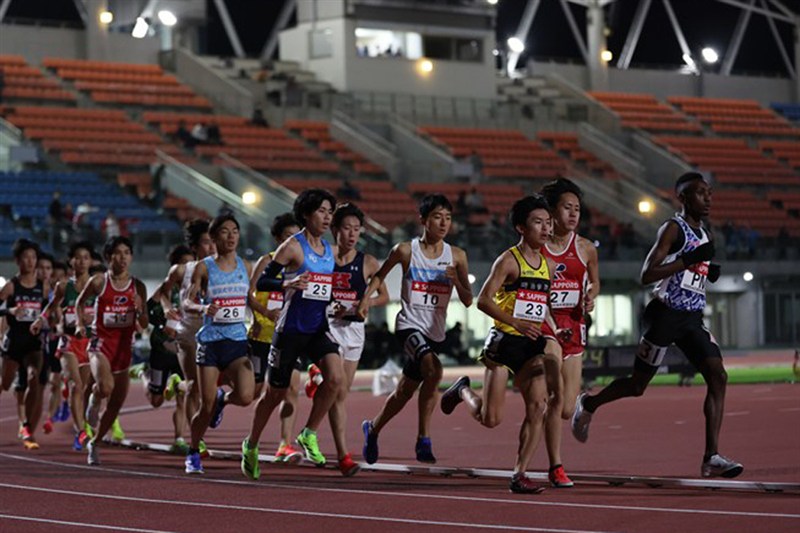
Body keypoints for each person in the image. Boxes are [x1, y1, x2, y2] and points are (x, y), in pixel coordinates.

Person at [571, 172, 743, 479]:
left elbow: (692, 267)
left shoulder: (706, 233)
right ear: (683, 198)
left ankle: (711, 457)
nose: (708, 198)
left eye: (709, 193)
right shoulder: (672, 228)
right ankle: (590, 403)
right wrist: (690, 260)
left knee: (718, 376)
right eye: (700, 193)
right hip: (663, 314)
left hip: (691, 318)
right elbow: (647, 274)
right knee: (638, 386)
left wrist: (706, 269)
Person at [440, 194, 566, 494]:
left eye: (549, 223)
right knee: (490, 419)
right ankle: (463, 391)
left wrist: (556, 328)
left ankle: (518, 474)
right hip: (503, 344)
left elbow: (541, 303)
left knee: (538, 405)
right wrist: (516, 321)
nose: (546, 229)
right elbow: (483, 300)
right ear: (522, 227)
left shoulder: (548, 264)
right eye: (539, 223)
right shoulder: (509, 260)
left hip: (531, 344)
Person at [357, 193, 473, 465]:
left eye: (448, 217)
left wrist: (457, 280)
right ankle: (424, 439)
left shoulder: (456, 256)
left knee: (404, 391)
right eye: (437, 217)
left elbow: (468, 300)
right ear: (423, 220)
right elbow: (379, 276)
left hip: (435, 331)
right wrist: (365, 300)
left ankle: (372, 429)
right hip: (408, 325)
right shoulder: (405, 250)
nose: (443, 223)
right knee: (434, 370)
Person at [242, 189, 345, 479]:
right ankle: (251, 445)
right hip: (289, 331)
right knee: (274, 395)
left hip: (316, 328)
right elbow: (263, 282)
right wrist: (288, 282)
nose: (327, 218)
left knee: (336, 378)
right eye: (322, 211)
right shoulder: (292, 246)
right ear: (306, 214)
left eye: (330, 212)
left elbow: (321, 287)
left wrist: (333, 301)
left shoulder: (328, 250)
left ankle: (308, 433)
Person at [537, 178, 600, 489]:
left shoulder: (586, 248)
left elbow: (595, 283)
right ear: (552, 210)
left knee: (564, 409)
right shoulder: (539, 248)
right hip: (547, 326)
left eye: (578, 209)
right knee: (555, 396)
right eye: (567, 208)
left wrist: (590, 295)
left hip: (575, 329)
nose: (574, 214)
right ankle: (556, 466)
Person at [183, 214, 255, 474]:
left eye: (235, 231)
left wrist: (263, 314)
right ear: (214, 238)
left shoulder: (245, 266)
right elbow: (187, 302)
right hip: (211, 344)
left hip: (236, 341)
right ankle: (193, 451)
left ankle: (224, 401)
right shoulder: (204, 267)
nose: (231, 236)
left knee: (247, 395)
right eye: (225, 232)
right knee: (205, 406)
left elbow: (249, 298)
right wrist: (203, 307)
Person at [324, 202, 389, 473]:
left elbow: (384, 296)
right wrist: (330, 304)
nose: (352, 234)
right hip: (326, 328)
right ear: (335, 230)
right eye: (347, 229)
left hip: (354, 332)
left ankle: (320, 382)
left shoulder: (369, 262)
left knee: (340, 394)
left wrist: (362, 305)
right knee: (335, 383)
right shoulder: (323, 258)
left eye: (356, 229)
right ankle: (343, 454)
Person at [76, 236, 148, 465]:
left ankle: (94, 443)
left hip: (124, 348)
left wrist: (140, 310)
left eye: (127, 252)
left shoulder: (139, 286)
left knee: (116, 404)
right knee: (105, 386)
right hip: (100, 343)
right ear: (109, 257)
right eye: (118, 252)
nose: (123, 257)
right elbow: (79, 302)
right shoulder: (99, 282)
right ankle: (95, 398)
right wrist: (80, 323)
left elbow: (144, 323)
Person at [247, 212, 304, 463]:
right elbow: (251, 293)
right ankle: (223, 399)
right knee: (254, 392)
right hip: (262, 336)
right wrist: (264, 314)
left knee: (291, 388)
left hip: (287, 335)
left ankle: (285, 444)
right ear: (278, 239)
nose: (293, 240)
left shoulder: (303, 263)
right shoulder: (267, 261)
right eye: (288, 236)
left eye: (296, 235)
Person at [159, 219, 215, 458]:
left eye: (214, 241)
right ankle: (198, 441)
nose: (211, 247)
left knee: (222, 386)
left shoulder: (223, 268)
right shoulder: (181, 270)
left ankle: (176, 384)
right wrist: (165, 308)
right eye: (205, 242)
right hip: (188, 333)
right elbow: (163, 291)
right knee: (194, 388)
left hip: (215, 333)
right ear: (194, 246)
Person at [32, 241, 96, 450]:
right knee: (75, 385)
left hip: (89, 343)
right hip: (68, 341)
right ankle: (80, 432)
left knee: (83, 388)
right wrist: (40, 320)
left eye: (86, 257)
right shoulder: (63, 286)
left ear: (91, 261)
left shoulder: (97, 285)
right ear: (71, 261)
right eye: (77, 257)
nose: (82, 261)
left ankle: (83, 426)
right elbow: (51, 306)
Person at [132, 244, 195, 454]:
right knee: (156, 401)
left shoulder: (196, 290)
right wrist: (164, 313)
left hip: (182, 353)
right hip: (161, 351)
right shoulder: (163, 291)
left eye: (191, 263)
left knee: (182, 396)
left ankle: (180, 438)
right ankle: (143, 372)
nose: (187, 268)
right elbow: (147, 316)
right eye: (183, 264)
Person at [0, 239, 46, 450]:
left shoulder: (43, 287)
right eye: (26, 257)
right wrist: (8, 311)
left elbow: (50, 310)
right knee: (5, 384)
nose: (30, 261)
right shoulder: (11, 286)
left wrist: (49, 319)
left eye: (33, 257)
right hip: (14, 344)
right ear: (18, 261)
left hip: (33, 344)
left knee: (34, 377)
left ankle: (26, 426)